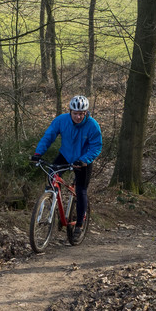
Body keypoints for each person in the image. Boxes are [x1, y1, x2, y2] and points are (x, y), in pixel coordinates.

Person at [31, 95, 102, 229]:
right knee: (52, 176)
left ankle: (79, 225)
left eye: (81, 114)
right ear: (70, 111)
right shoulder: (61, 120)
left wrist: (84, 160)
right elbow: (48, 137)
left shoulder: (92, 125)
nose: (78, 117)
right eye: (75, 113)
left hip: (83, 160)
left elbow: (96, 146)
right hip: (65, 155)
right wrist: (38, 153)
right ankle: (52, 203)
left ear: (86, 112)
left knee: (81, 191)